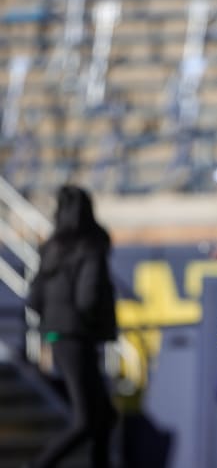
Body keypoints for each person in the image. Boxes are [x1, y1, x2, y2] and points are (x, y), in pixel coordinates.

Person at [25, 185, 118, 468]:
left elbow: (34, 298)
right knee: (86, 419)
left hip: (58, 335)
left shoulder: (52, 246)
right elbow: (88, 297)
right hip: (76, 337)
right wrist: (86, 325)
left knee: (104, 416)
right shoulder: (91, 245)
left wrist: (56, 323)